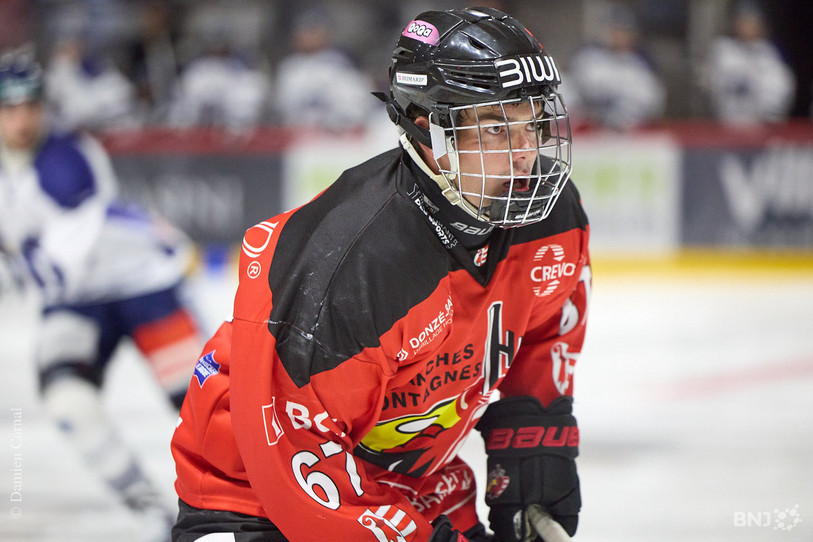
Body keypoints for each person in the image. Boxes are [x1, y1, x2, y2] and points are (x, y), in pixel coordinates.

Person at [171, 7, 590, 542]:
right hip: (255, 500)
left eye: (532, 120)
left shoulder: (548, 214)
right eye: (496, 126)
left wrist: (535, 453)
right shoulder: (349, 268)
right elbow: (297, 471)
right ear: (428, 128)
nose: (529, 150)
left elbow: (545, 330)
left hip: (408, 483)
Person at [0, 49, 204, 541]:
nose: (21, 118)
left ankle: (262, 509)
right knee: (69, 401)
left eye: (29, 105)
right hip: (81, 300)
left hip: (141, 285)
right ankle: (153, 513)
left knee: (207, 410)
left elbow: (54, 268)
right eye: (8, 107)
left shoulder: (66, 162)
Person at [564, 4, 665, 130]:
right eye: (615, 30)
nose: (619, 36)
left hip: (628, 133)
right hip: (586, 130)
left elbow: (652, 103)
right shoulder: (587, 58)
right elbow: (574, 95)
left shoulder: (640, 65)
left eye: (624, 31)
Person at [704, 1, 795, 125]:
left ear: (762, 25)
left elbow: (779, 94)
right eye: (742, 21)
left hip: (760, 129)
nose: (745, 26)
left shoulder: (769, 55)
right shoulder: (722, 50)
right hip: (725, 126)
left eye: (751, 22)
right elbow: (710, 86)